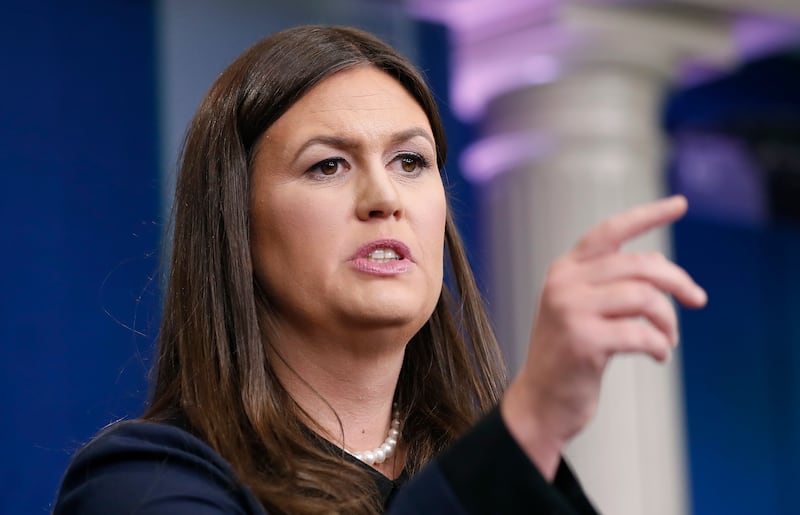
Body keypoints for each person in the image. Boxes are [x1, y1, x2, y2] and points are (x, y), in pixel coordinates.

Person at [53, 25, 707, 514]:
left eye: (411, 162)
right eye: (327, 165)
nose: (384, 198)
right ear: (237, 228)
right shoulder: (143, 483)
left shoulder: (488, 472)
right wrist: (530, 420)